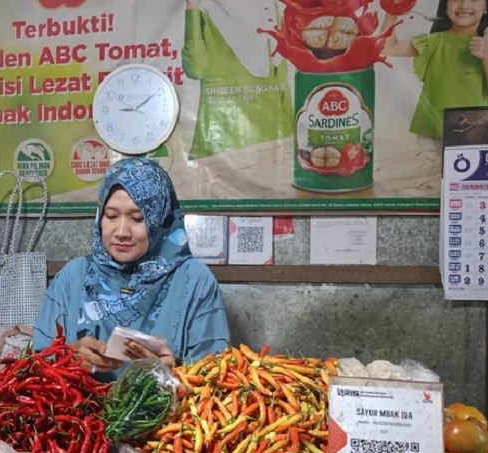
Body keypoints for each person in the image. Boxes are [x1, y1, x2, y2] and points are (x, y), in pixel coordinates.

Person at [33, 158, 230, 376]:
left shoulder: (193, 280)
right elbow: (37, 364)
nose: (121, 232)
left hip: (164, 408)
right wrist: (68, 357)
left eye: (137, 218)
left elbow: (215, 376)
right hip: (80, 408)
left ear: (160, 220)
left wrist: (170, 373)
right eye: (111, 216)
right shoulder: (74, 276)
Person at [182, 0, 293, 159]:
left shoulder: (271, 9)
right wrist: (192, 9)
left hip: (272, 146)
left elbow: (282, 85)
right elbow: (195, 69)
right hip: (222, 147)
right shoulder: (208, 9)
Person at [382, 0, 488, 139]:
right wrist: (391, 13)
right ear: (445, 7)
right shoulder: (432, 42)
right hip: (431, 133)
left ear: (486, 8)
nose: (464, 5)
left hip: (474, 135)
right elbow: (388, 48)